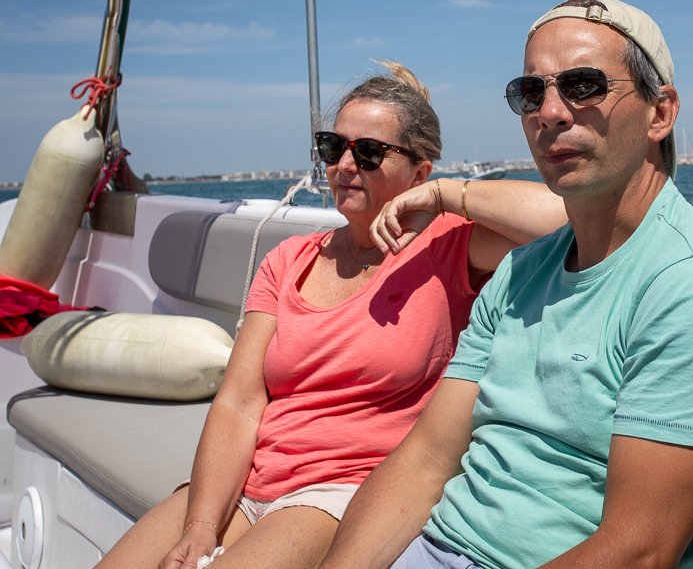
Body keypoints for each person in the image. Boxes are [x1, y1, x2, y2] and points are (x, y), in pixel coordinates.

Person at [322, 0, 693, 569]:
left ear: (660, 113)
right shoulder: (521, 272)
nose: (551, 112)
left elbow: (638, 551)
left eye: (584, 85)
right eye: (531, 93)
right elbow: (424, 462)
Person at [96, 62, 567, 569]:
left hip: (344, 492)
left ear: (419, 171)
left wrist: (445, 195)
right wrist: (201, 526)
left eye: (368, 152)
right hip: (252, 478)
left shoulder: (450, 246)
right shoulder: (288, 260)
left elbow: (570, 219)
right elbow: (238, 404)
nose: (344, 165)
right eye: (332, 146)